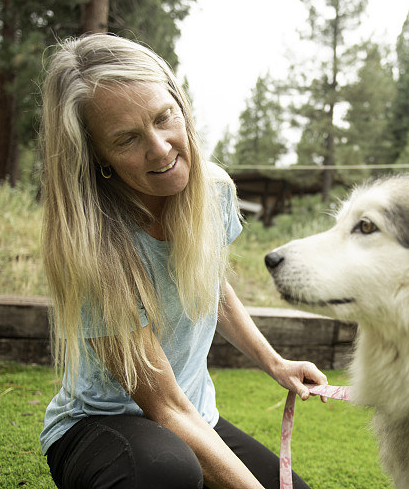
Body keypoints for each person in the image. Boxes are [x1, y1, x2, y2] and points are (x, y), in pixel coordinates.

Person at [38, 33, 327, 489]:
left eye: (163, 117)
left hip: (194, 416)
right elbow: (164, 407)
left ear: (180, 105)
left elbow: (211, 288)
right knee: (166, 471)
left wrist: (275, 363)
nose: (160, 148)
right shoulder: (93, 245)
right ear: (97, 157)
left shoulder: (215, 191)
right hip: (101, 426)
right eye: (127, 139)